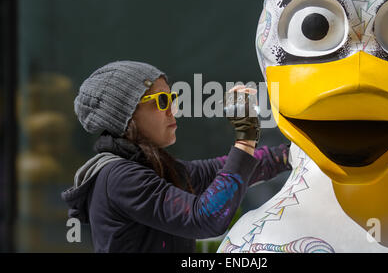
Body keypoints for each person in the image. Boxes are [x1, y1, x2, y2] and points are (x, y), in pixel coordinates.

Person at [61, 60, 291, 253]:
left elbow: (223, 170)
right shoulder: (120, 177)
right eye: (161, 101)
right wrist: (245, 136)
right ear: (126, 115)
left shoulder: (151, 168)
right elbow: (206, 219)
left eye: (172, 99)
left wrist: (294, 154)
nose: (172, 110)